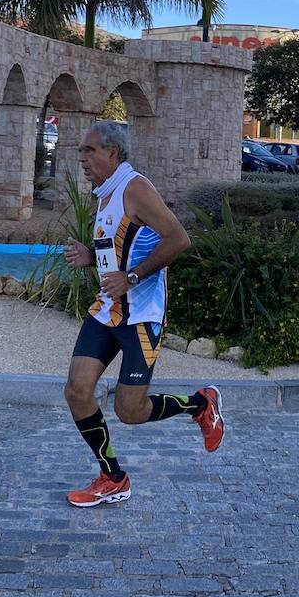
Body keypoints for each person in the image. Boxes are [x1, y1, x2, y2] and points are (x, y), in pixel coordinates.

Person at [60, 120, 224, 508]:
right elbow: (115, 252)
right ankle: (112, 477)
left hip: (141, 316)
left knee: (130, 411)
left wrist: (132, 277)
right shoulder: (105, 193)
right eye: (82, 151)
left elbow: (179, 239)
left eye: (90, 150)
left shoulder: (135, 188)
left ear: (113, 153)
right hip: (106, 312)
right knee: (77, 391)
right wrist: (89, 259)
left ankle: (202, 404)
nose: (82, 158)